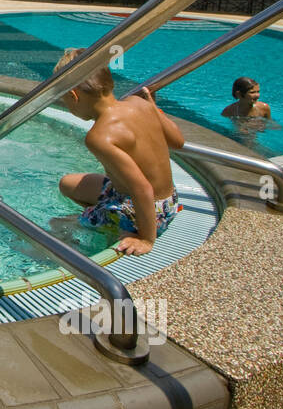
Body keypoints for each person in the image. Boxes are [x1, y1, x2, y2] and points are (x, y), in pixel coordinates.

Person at [55, 47, 185, 255]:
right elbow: (178, 142)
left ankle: (107, 231)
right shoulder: (139, 103)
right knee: (67, 184)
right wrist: (153, 108)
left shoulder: (100, 137)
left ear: (74, 95)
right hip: (169, 201)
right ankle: (101, 214)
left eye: (64, 99)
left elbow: (142, 188)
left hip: (147, 211)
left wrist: (146, 239)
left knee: (58, 225)